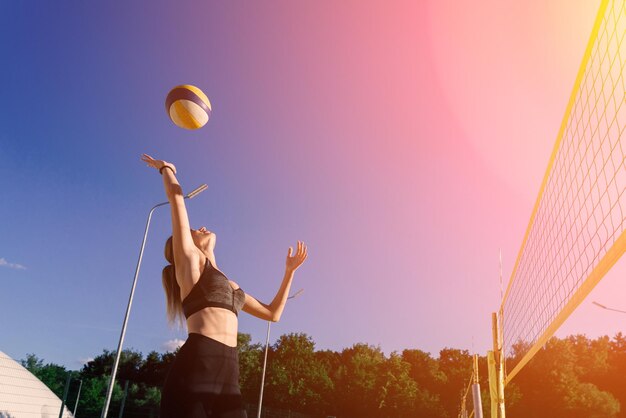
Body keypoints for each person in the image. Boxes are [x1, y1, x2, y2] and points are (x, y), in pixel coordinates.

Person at [141, 154, 308, 418]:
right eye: (195, 230)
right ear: (187, 245)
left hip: (229, 373)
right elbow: (177, 200)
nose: (202, 227)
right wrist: (166, 169)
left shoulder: (231, 285)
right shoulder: (191, 264)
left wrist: (289, 273)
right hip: (197, 366)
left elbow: (273, 314)